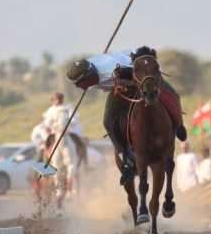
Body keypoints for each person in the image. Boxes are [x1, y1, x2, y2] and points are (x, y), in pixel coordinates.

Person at [66, 46, 187, 185]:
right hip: (117, 86)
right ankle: (125, 156)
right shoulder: (87, 72)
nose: (79, 87)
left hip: (140, 70)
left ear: (88, 77)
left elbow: (137, 75)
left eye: (80, 84)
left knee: (171, 94)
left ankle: (178, 125)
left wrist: (125, 84)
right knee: (108, 121)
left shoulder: (109, 68)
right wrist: (119, 86)